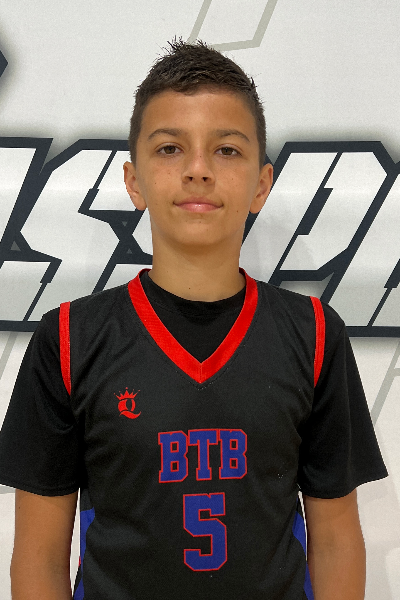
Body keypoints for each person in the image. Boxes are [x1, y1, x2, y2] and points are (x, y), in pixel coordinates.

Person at [0, 39, 387, 600]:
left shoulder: (314, 334)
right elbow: (38, 558)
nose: (198, 170)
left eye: (226, 150)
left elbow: (336, 540)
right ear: (133, 181)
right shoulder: (68, 340)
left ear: (261, 184)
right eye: (170, 148)